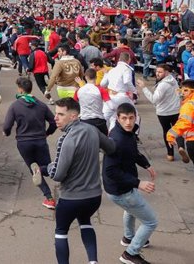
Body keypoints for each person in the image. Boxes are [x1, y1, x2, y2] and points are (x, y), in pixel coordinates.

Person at [31, 98, 115, 264]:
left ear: (73, 116)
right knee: (85, 222)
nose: (55, 118)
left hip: (71, 199)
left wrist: (45, 169)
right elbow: (111, 148)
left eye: (61, 114)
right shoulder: (92, 130)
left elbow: (58, 174)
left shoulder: (66, 139)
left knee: (61, 232)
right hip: (94, 197)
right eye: (56, 114)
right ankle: (93, 262)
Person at [103, 103, 158, 264]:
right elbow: (110, 171)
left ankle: (128, 238)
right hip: (120, 190)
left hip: (121, 188)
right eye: (124, 118)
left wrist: (146, 164)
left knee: (131, 210)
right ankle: (131, 254)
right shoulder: (117, 140)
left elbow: (133, 152)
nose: (128, 122)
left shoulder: (127, 133)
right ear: (118, 119)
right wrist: (138, 183)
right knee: (151, 221)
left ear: (136, 117)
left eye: (131, 118)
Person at [2, 77, 57, 209]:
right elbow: (53, 122)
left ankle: (49, 197)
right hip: (40, 141)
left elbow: (6, 126)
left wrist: (7, 133)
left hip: (24, 143)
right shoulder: (42, 105)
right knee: (47, 169)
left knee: (34, 170)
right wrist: (47, 133)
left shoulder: (15, 106)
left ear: (20, 89)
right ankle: (49, 192)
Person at [137, 63, 187, 162]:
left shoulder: (162, 85)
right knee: (178, 130)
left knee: (167, 131)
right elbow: (178, 93)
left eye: (160, 72)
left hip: (164, 112)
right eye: (157, 71)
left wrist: (144, 88)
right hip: (175, 110)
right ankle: (181, 147)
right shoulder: (173, 80)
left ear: (166, 72)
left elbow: (154, 100)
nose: (157, 74)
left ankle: (170, 153)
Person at [74, 68, 110, 135]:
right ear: (96, 77)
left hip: (84, 121)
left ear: (85, 77)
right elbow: (110, 105)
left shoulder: (79, 90)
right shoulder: (101, 90)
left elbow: (73, 104)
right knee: (105, 143)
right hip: (99, 121)